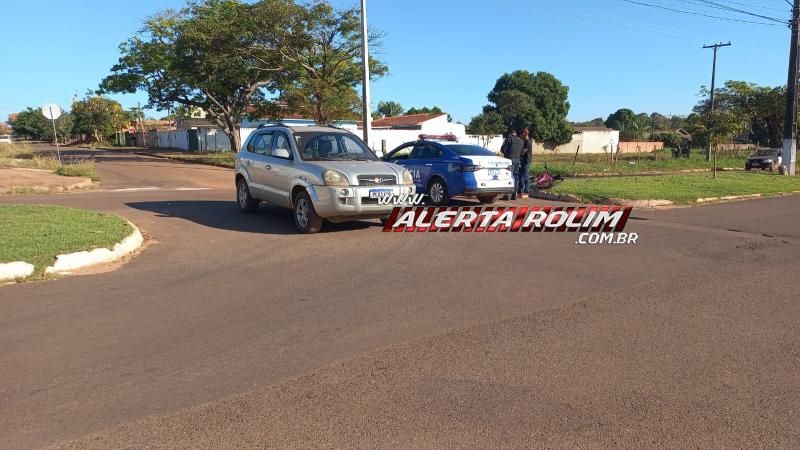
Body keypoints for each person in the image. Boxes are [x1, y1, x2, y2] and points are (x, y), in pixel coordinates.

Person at [500, 128, 524, 200]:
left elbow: (503, 149)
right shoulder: (521, 140)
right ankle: (514, 195)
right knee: (516, 177)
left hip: (509, 160)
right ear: (515, 133)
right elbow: (522, 151)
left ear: (510, 133)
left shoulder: (509, 139)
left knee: (507, 176)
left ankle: (507, 195)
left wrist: (506, 154)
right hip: (517, 160)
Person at [518, 128, 532, 198]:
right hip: (522, 160)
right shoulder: (523, 141)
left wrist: (518, 153)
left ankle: (526, 192)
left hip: (526, 161)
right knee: (520, 175)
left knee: (525, 176)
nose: (521, 135)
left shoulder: (528, 141)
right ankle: (520, 191)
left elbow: (523, 151)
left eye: (522, 133)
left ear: (525, 133)